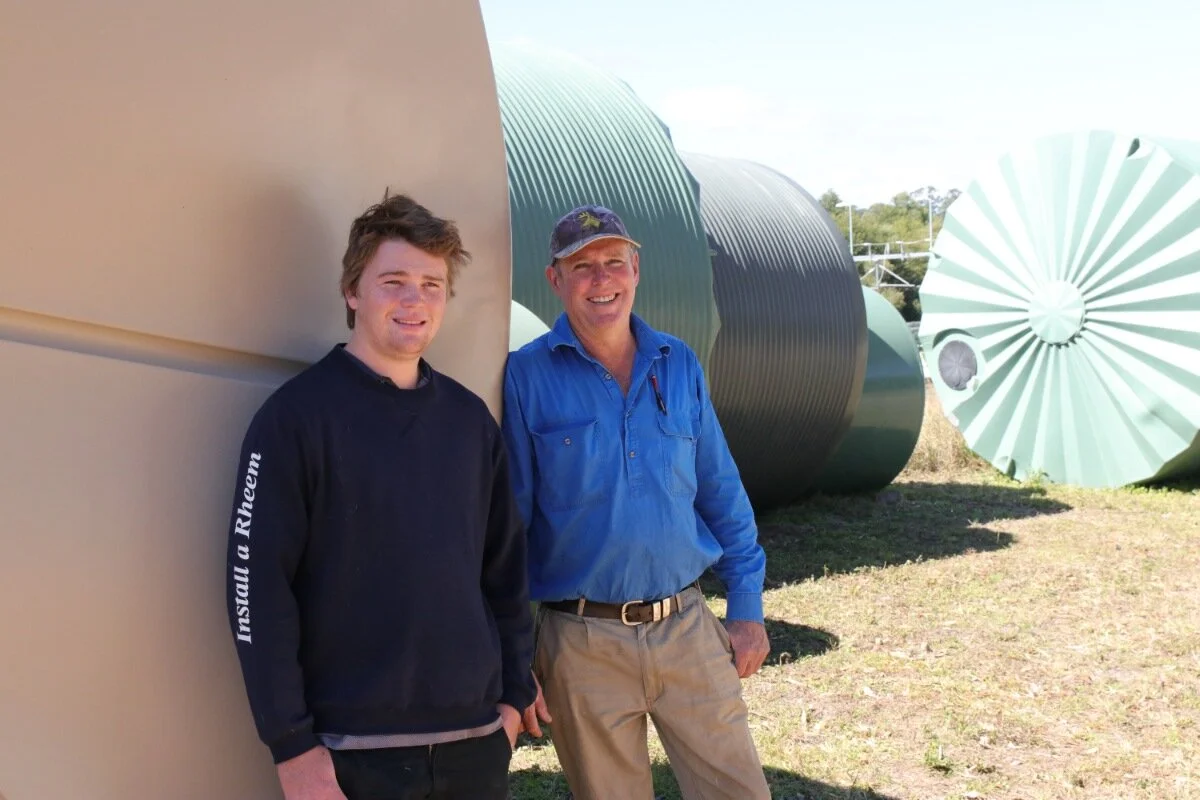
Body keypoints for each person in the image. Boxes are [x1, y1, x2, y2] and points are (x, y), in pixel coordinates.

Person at [225, 192, 534, 800]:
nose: (414, 300)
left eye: (431, 284)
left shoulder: (470, 423)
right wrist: (292, 748)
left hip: (474, 742)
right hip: (349, 756)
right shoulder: (294, 419)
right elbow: (255, 591)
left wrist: (514, 699)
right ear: (352, 291)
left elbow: (505, 571)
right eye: (393, 281)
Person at [503, 204, 773, 799]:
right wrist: (513, 654)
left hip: (688, 630)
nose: (602, 280)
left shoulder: (678, 364)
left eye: (614, 262)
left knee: (739, 791)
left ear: (636, 269)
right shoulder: (525, 377)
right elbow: (511, 527)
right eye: (583, 267)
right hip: (581, 643)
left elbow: (722, 491)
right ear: (555, 280)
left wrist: (747, 606)